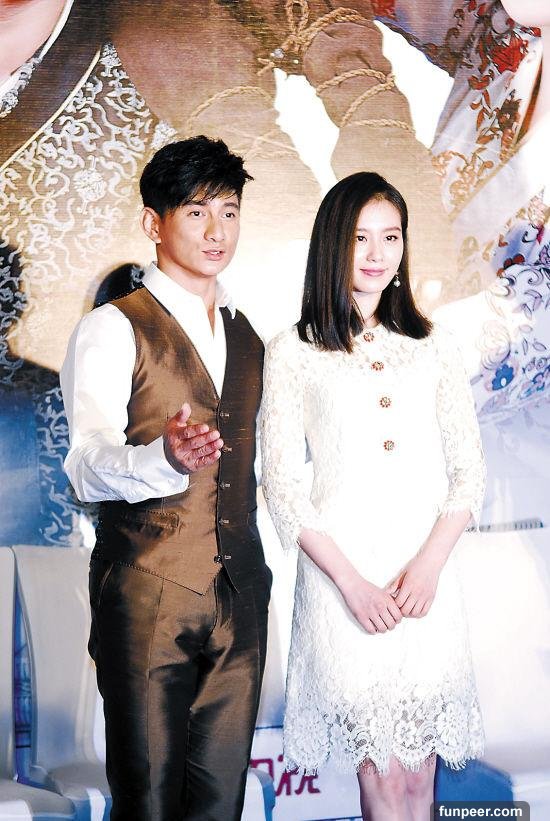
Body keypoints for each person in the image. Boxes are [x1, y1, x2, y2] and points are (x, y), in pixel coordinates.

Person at [260, 171, 486, 820]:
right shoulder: (293, 350)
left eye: (391, 236)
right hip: (345, 585)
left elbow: (469, 472)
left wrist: (429, 565)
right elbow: (282, 484)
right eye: (361, 237)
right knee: (382, 775)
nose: (377, 253)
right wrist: (352, 585)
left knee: (421, 779)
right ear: (334, 242)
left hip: (425, 582)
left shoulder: (433, 345)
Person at [60, 136, 272, 821]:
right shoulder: (112, 328)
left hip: (241, 597)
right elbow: (85, 465)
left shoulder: (248, 335)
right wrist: (163, 459)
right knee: (148, 802)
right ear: (154, 222)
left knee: (221, 806)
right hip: (147, 592)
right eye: (197, 211)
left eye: (229, 212)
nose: (217, 231)